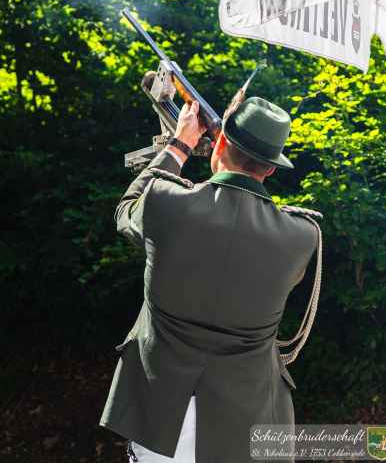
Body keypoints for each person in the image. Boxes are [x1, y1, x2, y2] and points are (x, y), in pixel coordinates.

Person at [99, 96, 322, 463]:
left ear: (219, 144)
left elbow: (127, 210)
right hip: (247, 429)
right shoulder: (302, 236)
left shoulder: (166, 203)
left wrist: (179, 144)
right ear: (270, 169)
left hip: (159, 416)